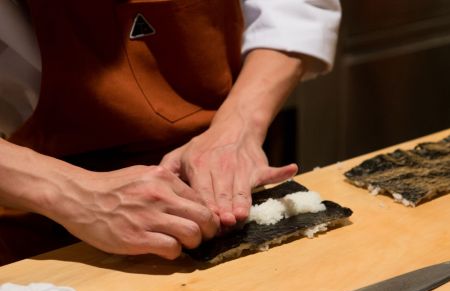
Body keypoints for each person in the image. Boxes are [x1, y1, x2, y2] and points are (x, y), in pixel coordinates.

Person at [0, 0, 341, 264]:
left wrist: (238, 129)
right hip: (36, 217)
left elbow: (294, 8)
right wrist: (69, 192)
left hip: (230, 185)